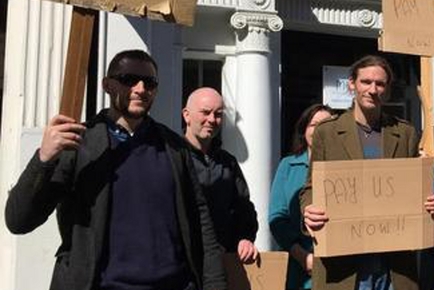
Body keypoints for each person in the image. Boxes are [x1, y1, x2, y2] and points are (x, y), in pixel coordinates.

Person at [5, 50, 226, 290]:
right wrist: (44, 158)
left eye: (149, 82)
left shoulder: (175, 148)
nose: (140, 88)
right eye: (128, 79)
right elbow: (19, 220)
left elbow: (202, 224)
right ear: (107, 85)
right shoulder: (78, 143)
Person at [300, 55, 434, 290]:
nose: (373, 89)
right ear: (351, 84)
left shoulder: (404, 133)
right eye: (366, 82)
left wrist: (429, 202)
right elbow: (311, 187)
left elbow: (413, 191)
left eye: (380, 84)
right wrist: (308, 210)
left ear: (387, 89)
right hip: (344, 267)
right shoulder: (328, 132)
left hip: (394, 266)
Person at [182, 87, 258, 263]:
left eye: (218, 114)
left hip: (221, 261)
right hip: (183, 262)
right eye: (205, 112)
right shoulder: (173, 158)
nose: (211, 120)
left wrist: (245, 238)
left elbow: (244, 208)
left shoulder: (228, 162)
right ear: (187, 115)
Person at [269, 103, 334, 290]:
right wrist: (302, 256)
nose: (320, 130)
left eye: (326, 124)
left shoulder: (343, 167)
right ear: (304, 130)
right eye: (314, 125)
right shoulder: (288, 166)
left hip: (339, 268)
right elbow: (277, 217)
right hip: (298, 267)